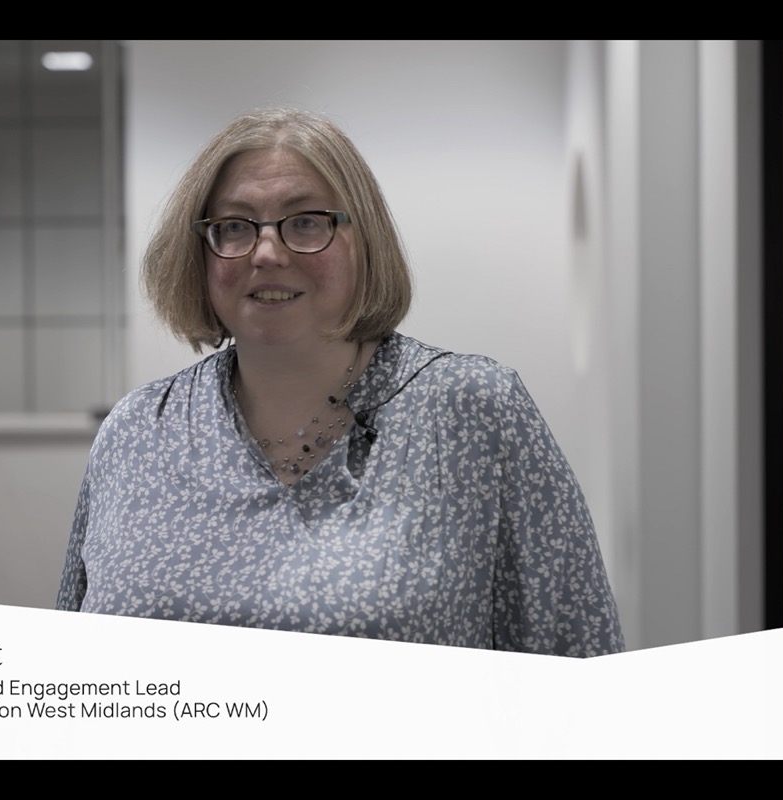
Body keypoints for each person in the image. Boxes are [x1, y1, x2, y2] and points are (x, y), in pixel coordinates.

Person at [56, 107, 624, 657]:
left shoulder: (473, 411)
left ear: (365, 238)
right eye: (233, 227)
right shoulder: (136, 430)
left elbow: (577, 660)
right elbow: (70, 673)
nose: (267, 253)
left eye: (306, 222)